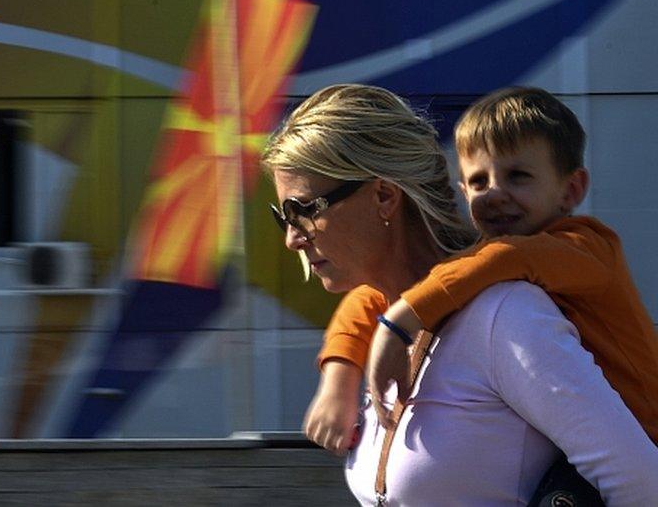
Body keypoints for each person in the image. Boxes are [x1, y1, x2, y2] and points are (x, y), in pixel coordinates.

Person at [263, 83, 658, 504]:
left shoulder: (505, 313)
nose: (292, 239)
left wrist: (400, 321)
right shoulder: (390, 315)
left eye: (302, 210)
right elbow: (371, 308)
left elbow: (642, 481)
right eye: (281, 216)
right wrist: (339, 375)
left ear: (383, 196)